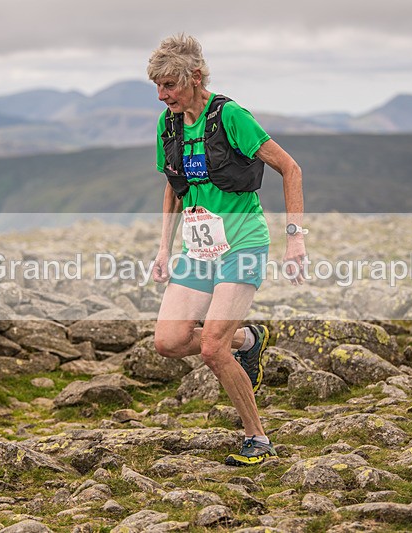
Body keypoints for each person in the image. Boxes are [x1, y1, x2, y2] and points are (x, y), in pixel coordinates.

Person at [148, 34, 306, 466]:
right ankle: (248, 339)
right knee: (169, 340)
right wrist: (164, 246)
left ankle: (257, 438)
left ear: (195, 77)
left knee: (212, 349)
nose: (163, 96)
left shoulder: (231, 116)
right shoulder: (170, 124)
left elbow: (290, 168)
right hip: (199, 248)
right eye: (157, 88)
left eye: (169, 86)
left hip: (243, 243)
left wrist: (295, 237)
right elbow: (173, 184)